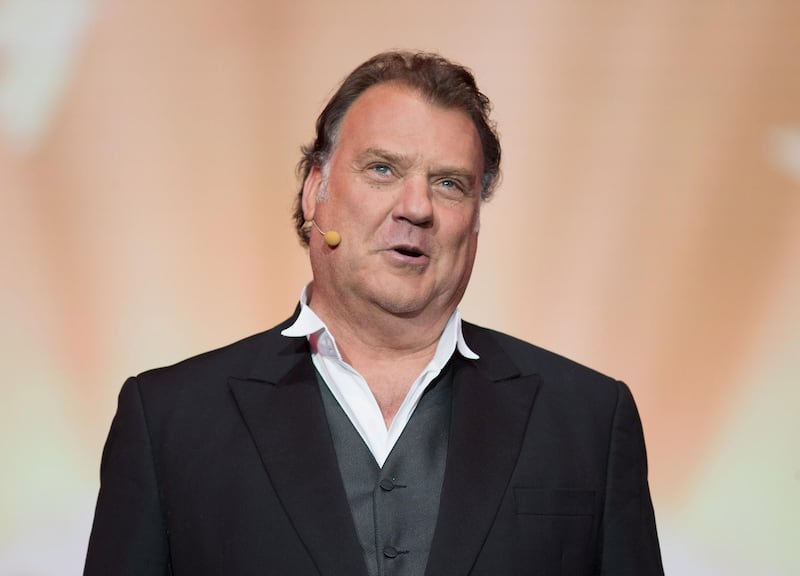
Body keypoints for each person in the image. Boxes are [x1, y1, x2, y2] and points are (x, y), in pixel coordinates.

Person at [84, 51, 664, 576]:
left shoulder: (588, 420)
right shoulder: (169, 420)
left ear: (476, 221)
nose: (416, 208)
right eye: (383, 169)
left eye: (449, 183)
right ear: (316, 191)